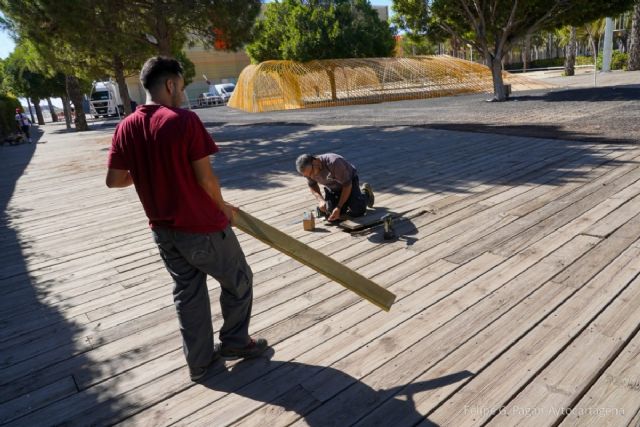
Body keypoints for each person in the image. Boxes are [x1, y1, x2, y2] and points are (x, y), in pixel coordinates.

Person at [105, 56, 268, 382]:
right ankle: (236, 342)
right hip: (202, 227)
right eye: (180, 85)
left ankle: (201, 363)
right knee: (239, 281)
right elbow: (206, 179)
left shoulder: (125, 126)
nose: (181, 92)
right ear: (170, 84)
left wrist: (152, 172)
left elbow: (114, 179)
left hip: (164, 233)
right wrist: (222, 207)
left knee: (188, 294)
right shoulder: (183, 121)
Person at [296, 153, 374, 222]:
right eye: (308, 176)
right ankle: (348, 201)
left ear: (315, 162)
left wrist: (339, 207)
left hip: (349, 182)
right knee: (330, 212)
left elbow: (347, 185)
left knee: (357, 210)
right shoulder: (308, 172)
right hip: (332, 188)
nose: (311, 176)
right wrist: (320, 200)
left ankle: (366, 193)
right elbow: (312, 185)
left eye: (311, 173)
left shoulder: (334, 162)